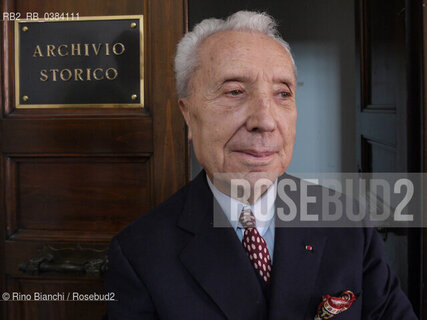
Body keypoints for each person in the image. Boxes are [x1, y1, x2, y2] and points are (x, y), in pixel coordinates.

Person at [105, 11, 417, 319]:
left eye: (283, 93)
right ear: (188, 115)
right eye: (235, 91)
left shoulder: (348, 225)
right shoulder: (139, 253)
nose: (265, 121)